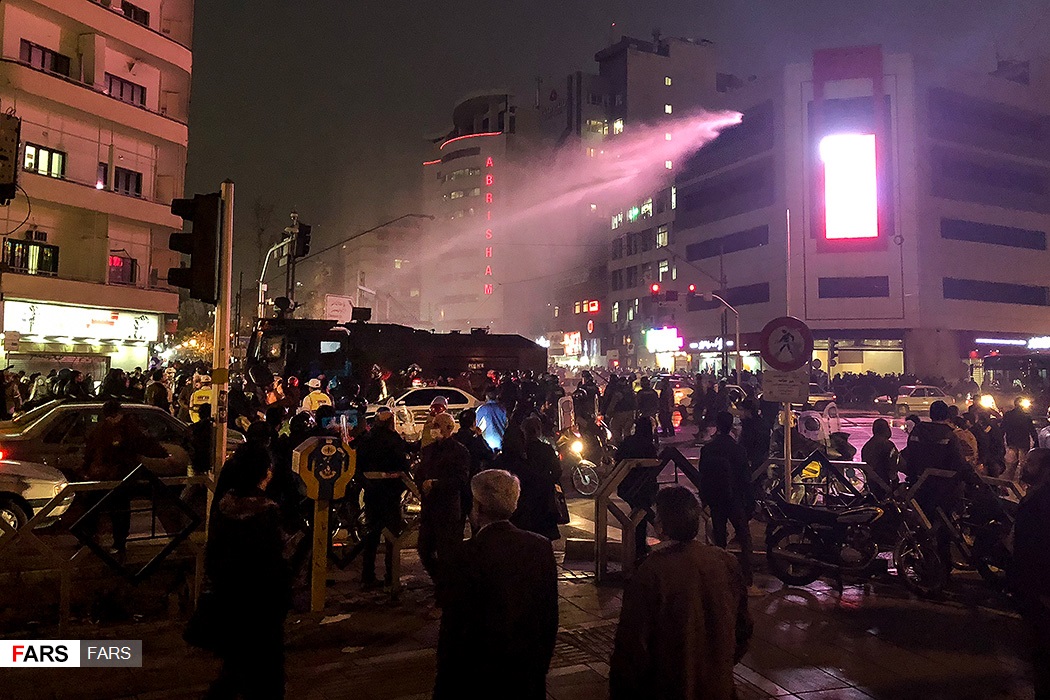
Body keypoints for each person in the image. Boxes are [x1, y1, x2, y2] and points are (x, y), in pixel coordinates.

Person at [610, 486, 753, 700]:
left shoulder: (651, 571)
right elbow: (743, 629)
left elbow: (632, 647)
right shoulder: (725, 562)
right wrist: (716, 665)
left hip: (669, 688)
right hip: (718, 687)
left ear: (661, 526)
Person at [434, 469, 558, 700]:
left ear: (478, 507)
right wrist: (539, 667)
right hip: (525, 671)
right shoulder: (539, 547)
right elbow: (549, 616)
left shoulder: (465, 554)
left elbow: (453, 629)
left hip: (478, 675)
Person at [203, 445, 293, 700]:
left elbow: (215, 552)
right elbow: (274, 562)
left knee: (235, 663)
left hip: (229, 595)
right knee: (266, 673)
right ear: (264, 473)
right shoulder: (265, 512)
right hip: (261, 601)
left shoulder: (225, 506)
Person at [81, 400, 167, 556]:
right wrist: (164, 454)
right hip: (121, 475)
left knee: (97, 507)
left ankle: (91, 539)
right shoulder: (128, 428)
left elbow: (90, 451)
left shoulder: (101, 429)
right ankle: (117, 543)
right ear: (119, 413)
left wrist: (86, 468)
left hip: (102, 475)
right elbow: (144, 444)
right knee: (119, 510)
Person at [698, 411, 759, 594]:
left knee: (719, 538)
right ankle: (747, 578)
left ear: (717, 424)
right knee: (744, 538)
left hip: (716, 498)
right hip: (735, 499)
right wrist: (750, 500)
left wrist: (705, 499)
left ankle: (719, 576)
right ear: (731, 425)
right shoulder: (737, 449)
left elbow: (703, 476)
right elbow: (745, 478)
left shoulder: (707, 449)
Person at [356, 408, 413, 588]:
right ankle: (391, 575)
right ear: (390, 422)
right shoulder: (392, 439)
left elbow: (358, 464)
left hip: (372, 493)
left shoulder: (366, 439)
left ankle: (368, 576)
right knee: (392, 537)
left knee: (371, 535)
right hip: (390, 494)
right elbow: (402, 463)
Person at [1010, 448, 1050, 700]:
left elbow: (1039, 547)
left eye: (1031, 463)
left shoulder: (1042, 501)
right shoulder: (1035, 496)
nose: (1024, 465)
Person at [415, 412, 470, 585]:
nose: (434, 429)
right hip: (429, 508)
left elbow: (461, 479)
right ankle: (440, 582)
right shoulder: (429, 450)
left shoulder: (459, 451)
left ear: (449, 428)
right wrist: (422, 484)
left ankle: (448, 588)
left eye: (438, 425)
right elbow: (420, 473)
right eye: (433, 425)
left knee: (447, 553)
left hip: (447, 509)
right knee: (424, 549)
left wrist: (436, 484)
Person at [509, 416, 562, 541]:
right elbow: (557, 471)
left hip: (524, 496)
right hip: (544, 496)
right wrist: (548, 481)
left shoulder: (520, 451)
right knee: (544, 535)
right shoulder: (546, 449)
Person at [616, 417, 661, 561]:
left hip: (627, 485)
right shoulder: (648, 445)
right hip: (642, 487)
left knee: (639, 514)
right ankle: (642, 544)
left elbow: (618, 457)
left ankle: (639, 546)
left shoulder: (628, 441)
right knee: (641, 513)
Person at [861, 418, 899, 499]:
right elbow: (894, 463)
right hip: (884, 485)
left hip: (871, 484)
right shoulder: (888, 445)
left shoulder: (867, 446)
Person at [1002, 397, 1038, 481]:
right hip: (1023, 443)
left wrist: (1001, 440)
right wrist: (1036, 441)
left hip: (1012, 442)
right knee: (1023, 465)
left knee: (1011, 465)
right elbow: (1032, 430)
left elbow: (1003, 428)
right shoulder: (1026, 416)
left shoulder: (1008, 415)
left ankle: (1009, 482)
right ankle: (1020, 482)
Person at [475, 388, 508, 452]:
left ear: (487, 396)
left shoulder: (481, 409)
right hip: (501, 441)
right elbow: (506, 424)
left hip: (486, 443)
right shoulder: (502, 408)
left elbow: (477, 426)